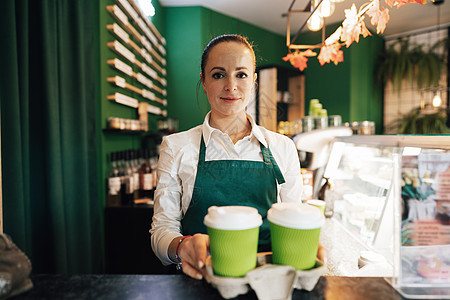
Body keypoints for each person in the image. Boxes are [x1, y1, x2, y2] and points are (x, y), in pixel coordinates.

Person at [151, 34, 319, 280]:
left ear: (253, 81)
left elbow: (293, 218)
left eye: (241, 74)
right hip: (199, 279)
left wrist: (306, 245)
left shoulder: (282, 147)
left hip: (270, 281)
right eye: (218, 74)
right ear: (204, 81)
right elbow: (161, 229)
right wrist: (182, 247)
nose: (231, 86)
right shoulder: (176, 146)